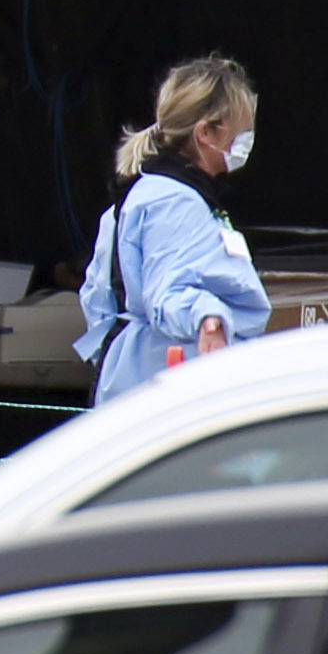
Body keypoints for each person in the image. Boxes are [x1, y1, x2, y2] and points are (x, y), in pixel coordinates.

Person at [77, 53, 272, 404]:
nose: (245, 139)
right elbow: (170, 288)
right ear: (206, 133)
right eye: (239, 129)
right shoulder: (175, 202)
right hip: (175, 391)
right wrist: (208, 317)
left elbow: (96, 297)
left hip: (134, 385)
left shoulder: (142, 194)